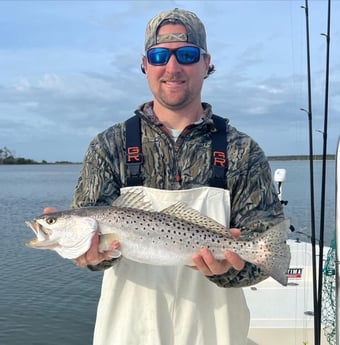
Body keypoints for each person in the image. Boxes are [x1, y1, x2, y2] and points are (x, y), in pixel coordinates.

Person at [71, 8, 285, 345]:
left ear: (205, 63)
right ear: (145, 65)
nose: (172, 68)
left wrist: (231, 269)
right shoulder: (108, 146)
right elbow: (93, 255)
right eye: (160, 56)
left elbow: (266, 250)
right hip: (129, 333)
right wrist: (89, 256)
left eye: (186, 55)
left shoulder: (242, 150)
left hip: (215, 333)